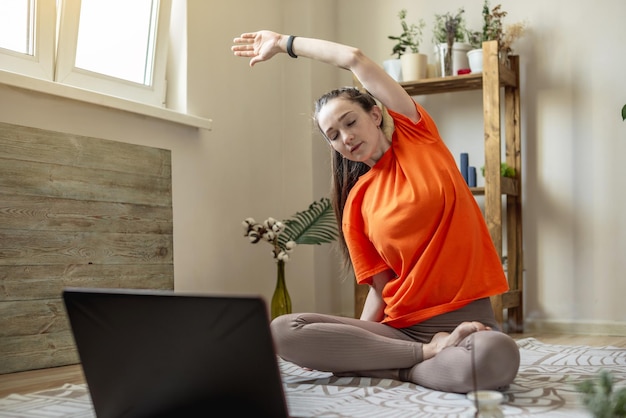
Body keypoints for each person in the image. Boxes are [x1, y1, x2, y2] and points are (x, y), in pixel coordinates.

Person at [232, 30, 520, 393]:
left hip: (468, 321)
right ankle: (423, 354)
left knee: (498, 355)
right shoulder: (357, 203)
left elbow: (354, 57)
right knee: (282, 330)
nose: (345, 137)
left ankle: (401, 366)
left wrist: (284, 43)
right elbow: (382, 291)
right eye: (333, 135)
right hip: (400, 329)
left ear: (375, 113)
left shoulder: (419, 137)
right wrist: (365, 343)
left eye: (350, 122)